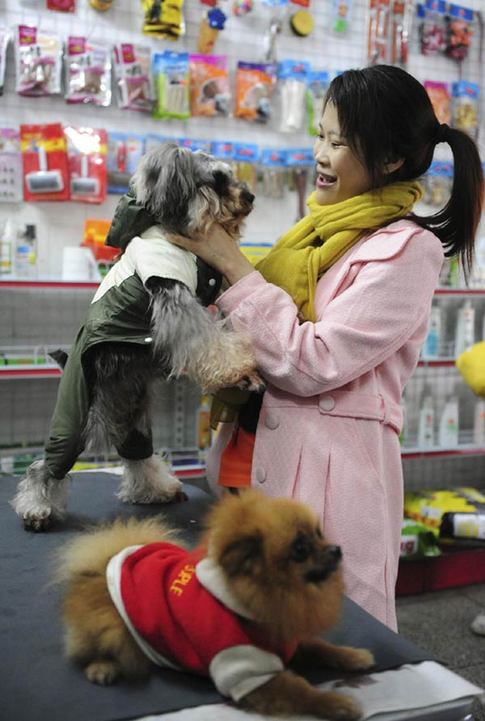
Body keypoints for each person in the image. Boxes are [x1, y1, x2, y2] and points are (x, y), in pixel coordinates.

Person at [169, 65, 484, 631]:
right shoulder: (312, 235)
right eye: (320, 134)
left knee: (327, 652)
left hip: (324, 491)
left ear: (389, 159)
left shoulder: (407, 251)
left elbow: (311, 361)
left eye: (339, 142)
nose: (321, 152)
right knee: (241, 647)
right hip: (249, 471)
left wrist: (231, 262)